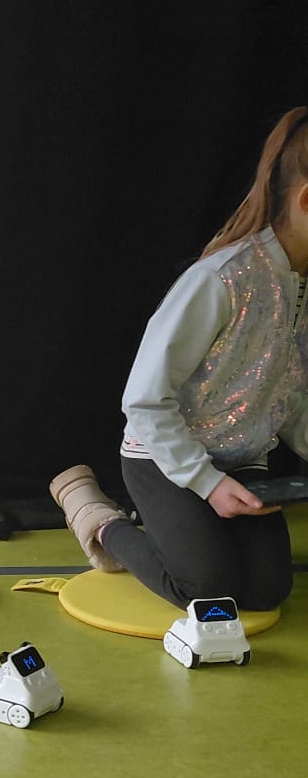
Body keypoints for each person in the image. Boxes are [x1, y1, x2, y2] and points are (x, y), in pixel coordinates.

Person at [51, 108, 308, 610]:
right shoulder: (221, 279)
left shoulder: (301, 285)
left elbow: (292, 396)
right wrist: (206, 484)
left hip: (243, 461)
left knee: (268, 591)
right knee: (207, 589)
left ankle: (190, 531)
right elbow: (144, 402)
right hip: (162, 456)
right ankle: (98, 519)